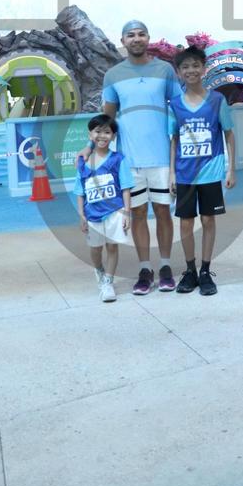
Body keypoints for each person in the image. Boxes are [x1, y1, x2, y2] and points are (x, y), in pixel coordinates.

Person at [82, 20, 182, 295]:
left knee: (163, 212)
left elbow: (179, 108)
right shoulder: (113, 75)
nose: (136, 39)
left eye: (141, 34)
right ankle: (145, 269)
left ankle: (165, 267)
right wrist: (90, 147)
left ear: (148, 38)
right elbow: (107, 118)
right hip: (129, 160)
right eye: (131, 35)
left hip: (162, 159)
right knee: (137, 214)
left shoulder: (164, 70)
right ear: (123, 41)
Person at [169, 46, 236, 296]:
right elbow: (173, 140)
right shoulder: (175, 105)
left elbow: (229, 135)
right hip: (184, 174)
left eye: (195, 65)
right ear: (178, 72)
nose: (191, 70)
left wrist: (231, 169)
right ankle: (190, 271)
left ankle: (206, 271)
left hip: (211, 172)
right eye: (185, 67)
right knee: (186, 223)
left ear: (203, 69)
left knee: (208, 220)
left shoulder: (217, 100)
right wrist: (171, 174)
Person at [74, 114, 134, 303]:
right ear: (90, 135)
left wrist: (127, 213)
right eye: (97, 131)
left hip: (115, 211)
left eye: (107, 132)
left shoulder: (118, 159)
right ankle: (99, 269)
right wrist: (82, 215)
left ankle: (108, 281)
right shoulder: (82, 162)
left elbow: (125, 188)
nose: (102, 136)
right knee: (95, 248)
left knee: (112, 246)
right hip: (92, 215)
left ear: (113, 136)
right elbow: (80, 191)